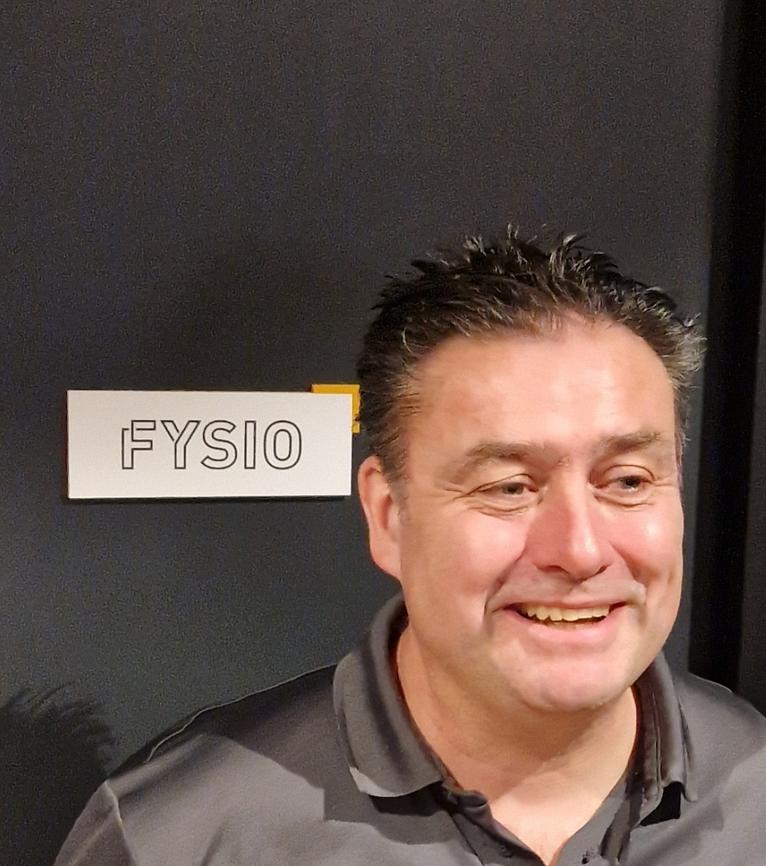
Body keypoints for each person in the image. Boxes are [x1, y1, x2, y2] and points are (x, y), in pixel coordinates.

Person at [55, 229, 766, 866]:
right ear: (389, 516)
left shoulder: (756, 784)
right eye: (508, 487)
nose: (580, 551)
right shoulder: (176, 839)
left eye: (628, 480)